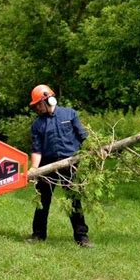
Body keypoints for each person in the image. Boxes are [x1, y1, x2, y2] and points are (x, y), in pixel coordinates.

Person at [27, 84, 92, 247]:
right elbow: (37, 149)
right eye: (34, 106)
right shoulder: (37, 125)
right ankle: (38, 235)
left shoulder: (70, 114)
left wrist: (96, 150)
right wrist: (34, 169)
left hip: (70, 164)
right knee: (43, 201)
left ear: (49, 99)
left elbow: (83, 136)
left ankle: (81, 237)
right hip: (47, 166)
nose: (36, 108)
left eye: (38, 104)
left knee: (74, 201)